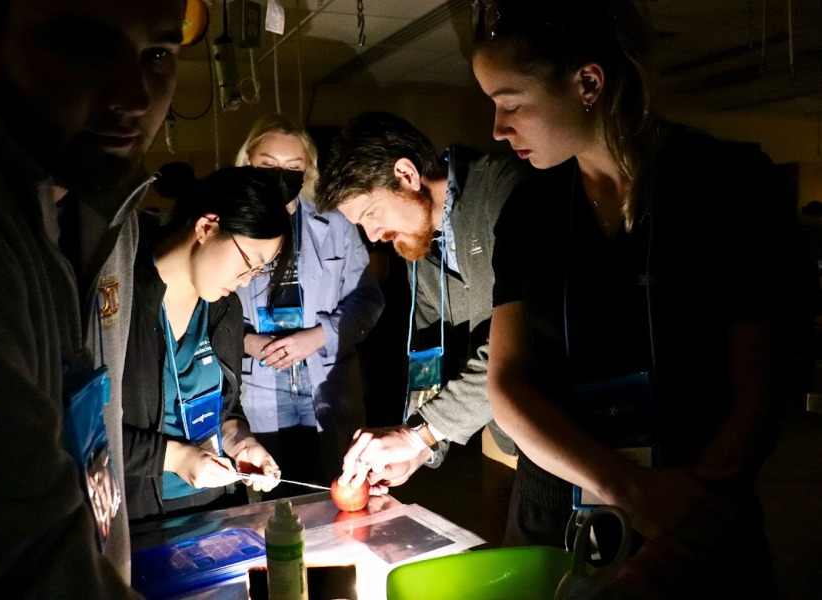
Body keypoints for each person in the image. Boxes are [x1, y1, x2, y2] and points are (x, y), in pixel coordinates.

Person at [470, 0, 821, 597]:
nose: (498, 129)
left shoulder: (731, 185)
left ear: (587, 83)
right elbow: (507, 385)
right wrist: (629, 488)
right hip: (559, 510)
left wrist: (672, 539)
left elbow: (757, 394)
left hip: (698, 505)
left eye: (511, 103)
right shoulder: (530, 212)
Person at [0, 0, 187, 595]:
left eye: (157, 54)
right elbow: (18, 560)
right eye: (84, 45)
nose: (134, 96)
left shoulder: (109, 202)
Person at [316, 111, 530, 494]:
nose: (374, 235)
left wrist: (419, 436)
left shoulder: (503, 191)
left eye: (370, 214)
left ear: (406, 174)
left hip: (576, 423)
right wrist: (417, 448)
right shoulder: (420, 245)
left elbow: (517, 344)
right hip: (519, 434)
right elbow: (430, 361)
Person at [122, 163, 303, 521]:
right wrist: (173, 458)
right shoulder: (123, 301)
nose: (247, 280)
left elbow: (225, 409)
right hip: (139, 517)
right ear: (206, 227)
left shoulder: (223, 310)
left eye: (259, 271)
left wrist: (240, 442)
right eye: (248, 262)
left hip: (215, 508)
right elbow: (86, 429)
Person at [233, 114, 385, 494]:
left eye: (293, 167)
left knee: (340, 489)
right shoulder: (225, 224)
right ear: (248, 161)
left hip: (325, 376)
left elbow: (368, 300)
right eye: (268, 165)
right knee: (271, 494)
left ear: (308, 170)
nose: (280, 175)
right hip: (261, 379)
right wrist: (248, 343)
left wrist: (318, 336)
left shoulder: (336, 223)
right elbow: (205, 311)